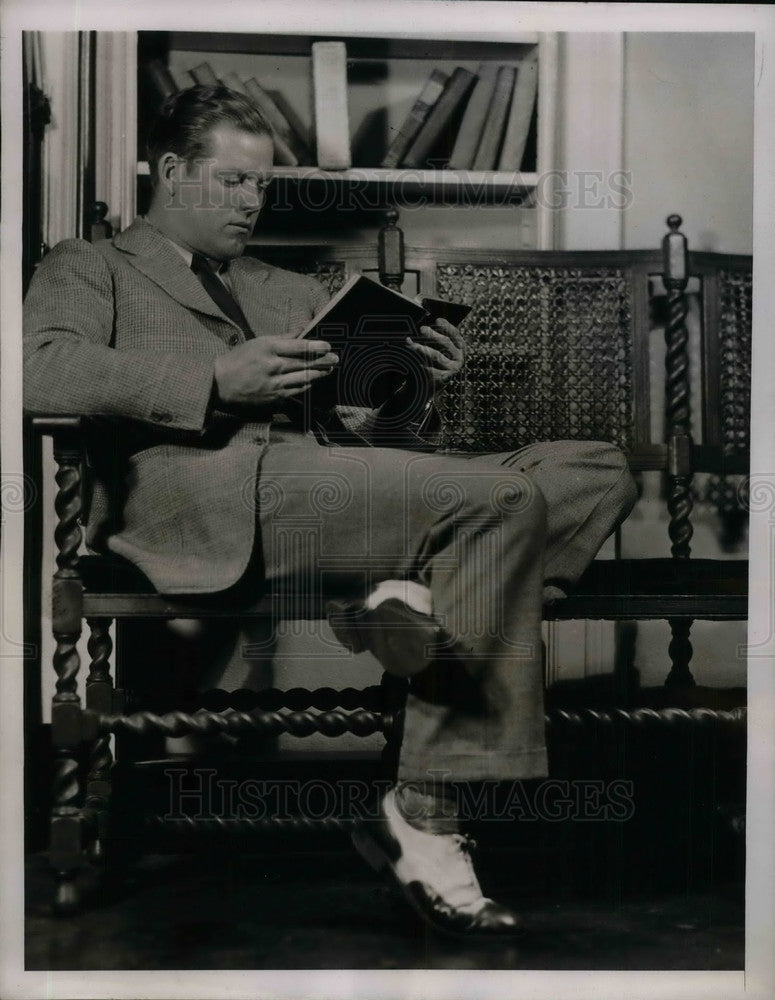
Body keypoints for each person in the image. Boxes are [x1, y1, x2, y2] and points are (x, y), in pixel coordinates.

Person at [24, 85, 637, 939]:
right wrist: (210, 381)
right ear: (170, 171)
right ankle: (424, 812)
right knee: (500, 499)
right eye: (234, 181)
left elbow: (366, 430)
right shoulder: (88, 266)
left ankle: (419, 598)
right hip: (210, 495)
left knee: (595, 470)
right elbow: (39, 371)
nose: (254, 201)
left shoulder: (284, 288)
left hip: (330, 485)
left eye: (263, 185)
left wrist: (413, 382)